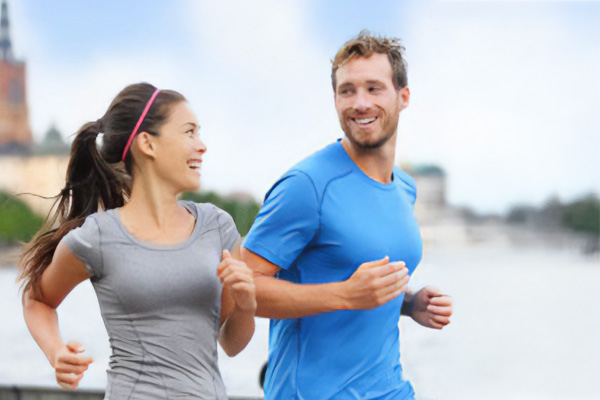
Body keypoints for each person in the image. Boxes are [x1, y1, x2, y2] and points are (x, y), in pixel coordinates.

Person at [241, 31, 453, 400]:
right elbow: (240, 289)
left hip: (392, 390)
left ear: (403, 97)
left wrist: (408, 302)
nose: (360, 103)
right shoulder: (306, 185)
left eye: (374, 88)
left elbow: (355, 273)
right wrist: (344, 295)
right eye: (347, 90)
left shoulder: (404, 187)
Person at [18, 83, 256, 399]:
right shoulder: (97, 238)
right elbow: (37, 300)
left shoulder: (218, 226)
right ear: (148, 143)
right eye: (189, 132)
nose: (202, 146)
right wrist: (55, 351)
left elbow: (230, 343)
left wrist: (246, 306)